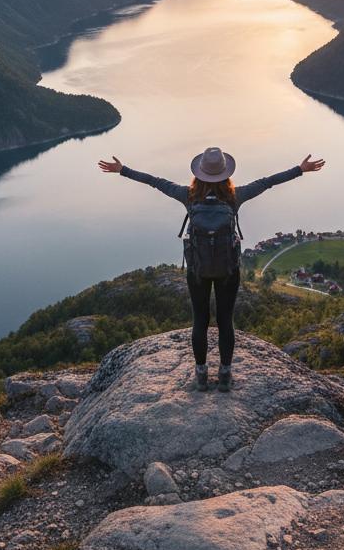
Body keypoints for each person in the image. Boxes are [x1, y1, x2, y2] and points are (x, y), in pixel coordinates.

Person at [98, 147, 325, 391]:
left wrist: (122, 170)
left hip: (198, 271)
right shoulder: (234, 197)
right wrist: (300, 170)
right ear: (225, 174)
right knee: (226, 322)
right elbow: (267, 182)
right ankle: (225, 374)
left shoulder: (189, 196)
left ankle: (201, 374)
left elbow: (156, 182)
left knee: (200, 321)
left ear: (199, 174)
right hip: (228, 270)